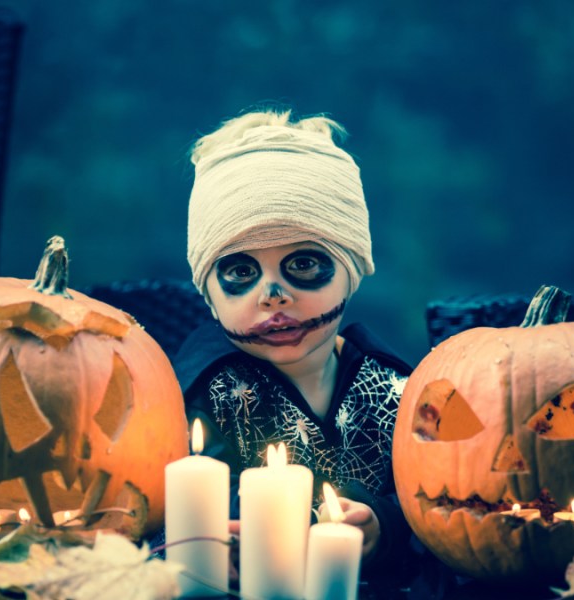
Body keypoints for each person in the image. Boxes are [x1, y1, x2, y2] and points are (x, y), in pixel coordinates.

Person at [173, 107, 414, 575]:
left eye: (302, 264)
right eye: (241, 272)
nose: (273, 295)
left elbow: (437, 502)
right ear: (209, 293)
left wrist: (383, 523)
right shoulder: (204, 392)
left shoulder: (394, 388)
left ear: (352, 270)